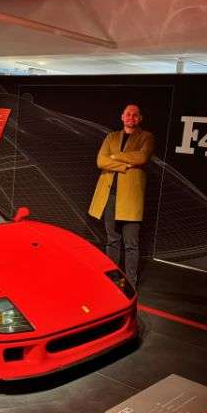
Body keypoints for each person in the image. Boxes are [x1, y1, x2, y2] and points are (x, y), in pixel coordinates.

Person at [88, 104, 155, 287]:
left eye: (134, 115)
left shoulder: (146, 137)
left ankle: (131, 284)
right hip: (110, 195)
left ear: (139, 118)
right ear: (122, 117)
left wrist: (115, 157)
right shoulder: (111, 137)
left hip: (131, 200)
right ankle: (112, 280)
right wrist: (125, 165)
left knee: (131, 244)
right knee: (112, 240)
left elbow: (142, 157)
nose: (130, 117)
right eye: (127, 114)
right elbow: (101, 161)